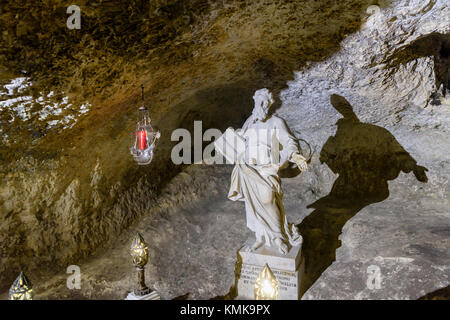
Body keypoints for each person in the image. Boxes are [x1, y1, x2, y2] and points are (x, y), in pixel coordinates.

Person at [226, 88, 308, 255]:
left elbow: (289, 141)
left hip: (266, 169)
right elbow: (242, 142)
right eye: (259, 102)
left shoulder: (276, 122)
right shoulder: (250, 121)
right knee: (252, 205)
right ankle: (261, 238)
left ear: (270, 104)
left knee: (267, 200)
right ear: (255, 102)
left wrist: (295, 156)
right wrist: (232, 139)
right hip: (248, 168)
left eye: (265, 102)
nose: (261, 105)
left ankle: (279, 237)